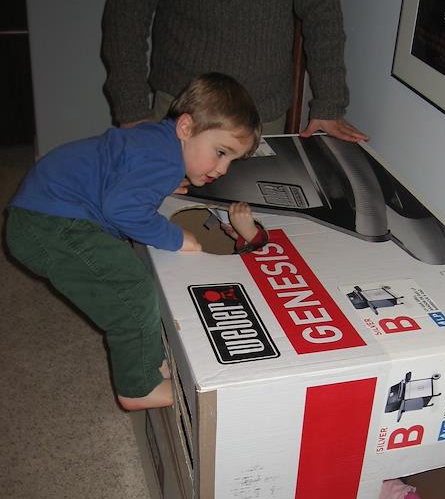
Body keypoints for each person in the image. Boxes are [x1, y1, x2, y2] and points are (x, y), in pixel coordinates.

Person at [5, 73, 265, 412]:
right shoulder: (163, 159)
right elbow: (121, 209)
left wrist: (159, 182)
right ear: (186, 127)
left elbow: (127, 168)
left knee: (126, 277)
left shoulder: (158, 142)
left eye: (232, 160)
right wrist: (174, 237)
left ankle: (148, 359)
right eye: (220, 152)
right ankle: (138, 386)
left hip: (43, 210)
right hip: (49, 224)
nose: (223, 169)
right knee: (132, 291)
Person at [101, 0, 368, 143]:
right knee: (169, 202)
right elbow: (125, 14)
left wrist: (329, 102)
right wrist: (132, 110)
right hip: (183, 111)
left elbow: (322, 15)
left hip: (264, 118)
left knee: (254, 206)